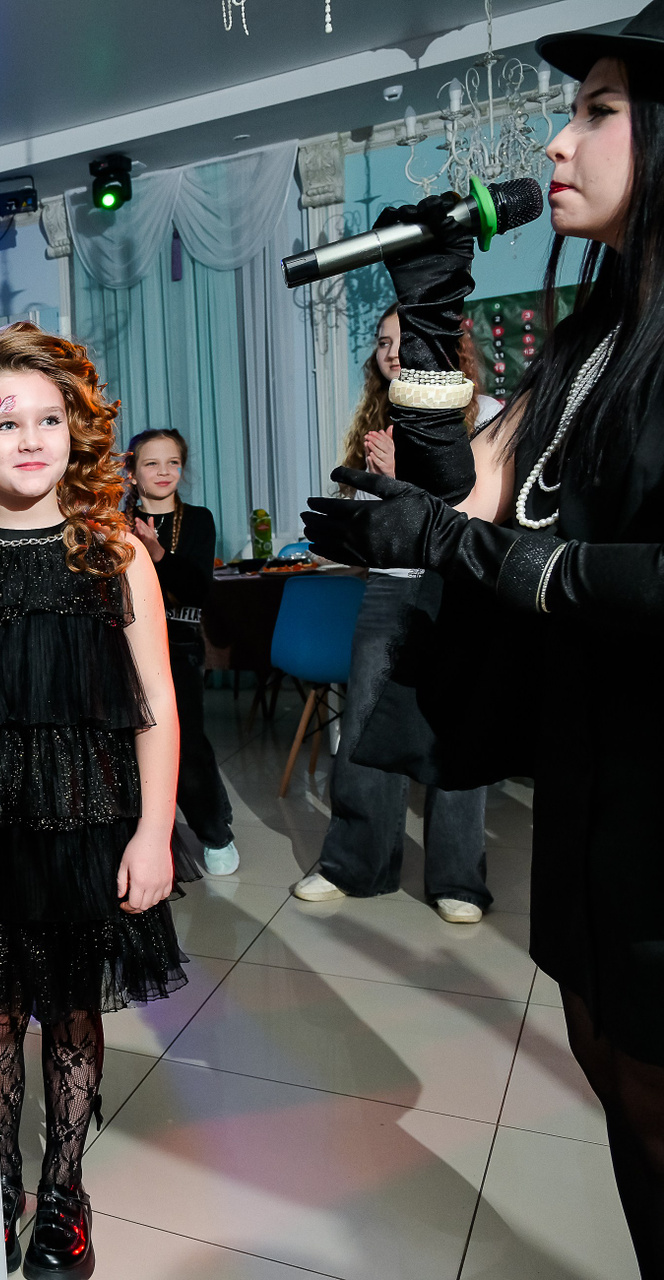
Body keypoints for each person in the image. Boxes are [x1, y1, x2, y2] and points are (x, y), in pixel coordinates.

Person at [303, 16, 664, 1267]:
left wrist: (475, 554)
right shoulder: (595, 335)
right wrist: (431, 316)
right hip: (589, 779)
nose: (558, 141)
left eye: (599, 109)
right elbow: (470, 488)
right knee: (613, 1071)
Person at [0, 324, 186, 1278]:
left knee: (67, 1009)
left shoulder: (116, 555)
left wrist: (153, 832)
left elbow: (156, 707)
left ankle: (64, 1189)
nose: (29, 438)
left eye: (48, 419)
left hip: (81, 824)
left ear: (75, 430)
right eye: (5, 420)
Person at [294, 304, 497, 924]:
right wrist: (373, 485)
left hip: (459, 589)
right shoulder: (376, 419)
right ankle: (354, 865)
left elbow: (483, 512)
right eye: (383, 342)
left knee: (457, 729)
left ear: (443, 346)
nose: (391, 352)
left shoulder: (486, 414)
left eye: (403, 340)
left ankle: (459, 880)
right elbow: (376, 521)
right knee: (363, 726)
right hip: (388, 586)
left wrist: (405, 477)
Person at [125, 428, 240, 878]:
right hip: (126, 643)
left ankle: (215, 832)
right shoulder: (117, 522)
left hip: (180, 643)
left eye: (172, 463)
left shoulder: (198, 520)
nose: (164, 472)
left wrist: (157, 553)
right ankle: (145, 836)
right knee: (131, 742)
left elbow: (197, 589)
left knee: (185, 741)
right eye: (151, 463)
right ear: (132, 472)